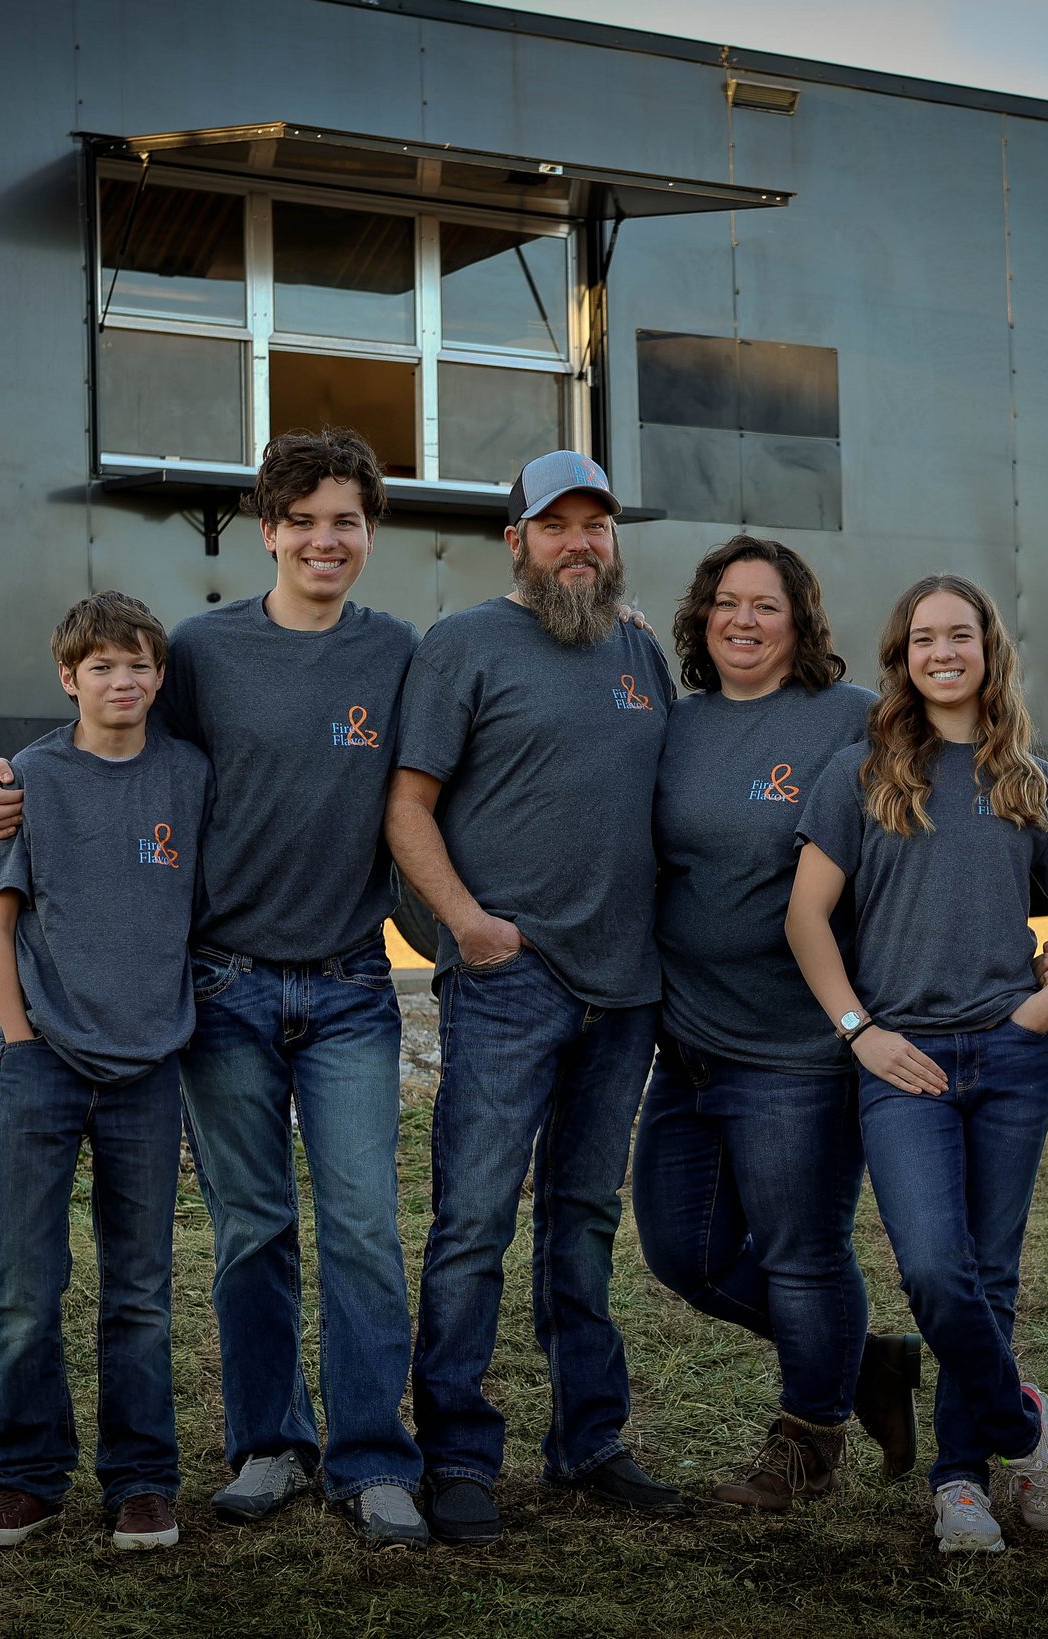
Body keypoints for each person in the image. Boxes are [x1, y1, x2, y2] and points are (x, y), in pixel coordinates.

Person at [0, 429, 430, 1549]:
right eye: (305, 519)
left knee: (365, 1227)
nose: (326, 539)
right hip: (221, 990)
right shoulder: (202, 652)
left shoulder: (403, 655)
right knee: (251, 1228)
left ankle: (373, 1458)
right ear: (268, 530)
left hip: (351, 986)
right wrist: (7, 784)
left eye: (347, 521)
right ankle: (271, 1442)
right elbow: (106, 737)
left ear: (370, 534)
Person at [384, 450, 684, 1545]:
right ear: (513, 538)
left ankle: (587, 1439)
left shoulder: (640, 650)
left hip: (626, 989)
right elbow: (406, 805)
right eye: (553, 524)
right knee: (471, 1222)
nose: (576, 542)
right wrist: (465, 925)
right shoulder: (462, 645)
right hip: (511, 982)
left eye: (594, 525)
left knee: (584, 1218)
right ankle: (456, 1453)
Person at [784, 572, 1048, 1555]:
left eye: (958, 635)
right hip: (898, 1063)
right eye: (923, 637)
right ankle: (1022, 1430)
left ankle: (961, 1483)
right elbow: (804, 917)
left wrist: (1044, 1006)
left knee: (988, 1274)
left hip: (1009, 1063)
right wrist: (858, 1030)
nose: (941, 652)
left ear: (986, 649)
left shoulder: (1031, 781)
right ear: (902, 655)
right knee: (931, 1265)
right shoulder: (859, 773)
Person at [629, 535, 924, 1510]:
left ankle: (807, 1437)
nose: (742, 620)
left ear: (800, 623)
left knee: (801, 1253)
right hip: (690, 1047)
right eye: (725, 602)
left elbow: (932, 828)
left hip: (799, 1050)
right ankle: (866, 1363)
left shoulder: (850, 722)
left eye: (766, 605)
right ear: (699, 617)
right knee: (683, 1251)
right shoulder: (679, 723)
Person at [0, 591, 209, 1554]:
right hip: (46, 1067)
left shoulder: (188, 775)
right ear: (70, 677)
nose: (124, 681)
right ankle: (25, 1479)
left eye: (140, 665)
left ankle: (141, 1482)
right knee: (29, 1281)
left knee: (139, 1286)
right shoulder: (31, 776)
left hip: (149, 1067)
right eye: (103, 666)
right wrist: (22, 1041)